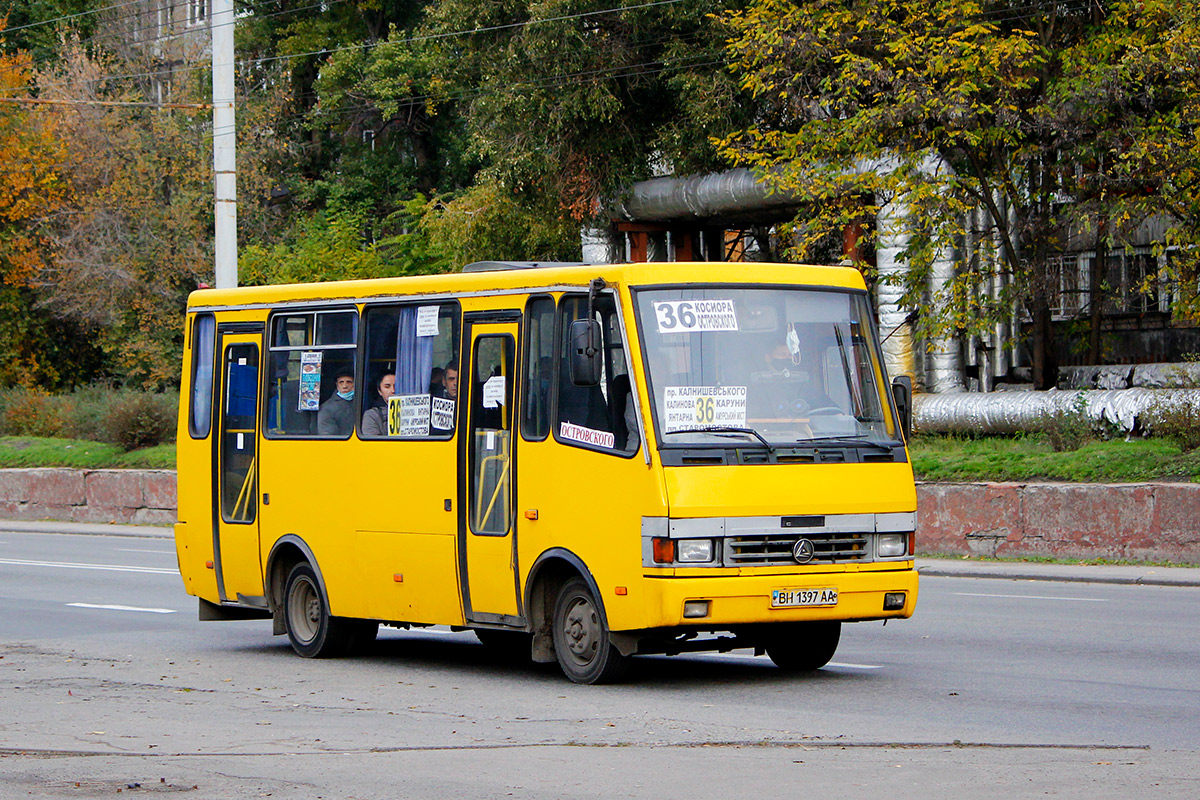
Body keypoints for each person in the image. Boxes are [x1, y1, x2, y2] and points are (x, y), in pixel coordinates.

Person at [317, 368, 356, 435]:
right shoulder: (327, 408)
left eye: (349, 382)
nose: (345, 386)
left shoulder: (362, 403)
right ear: (336, 384)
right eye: (341, 382)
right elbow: (328, 436)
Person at [361, 372, 396, 436]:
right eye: (387, 387)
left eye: (396, 386)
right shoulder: (372, 415)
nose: (393, 390)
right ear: (379, 391)